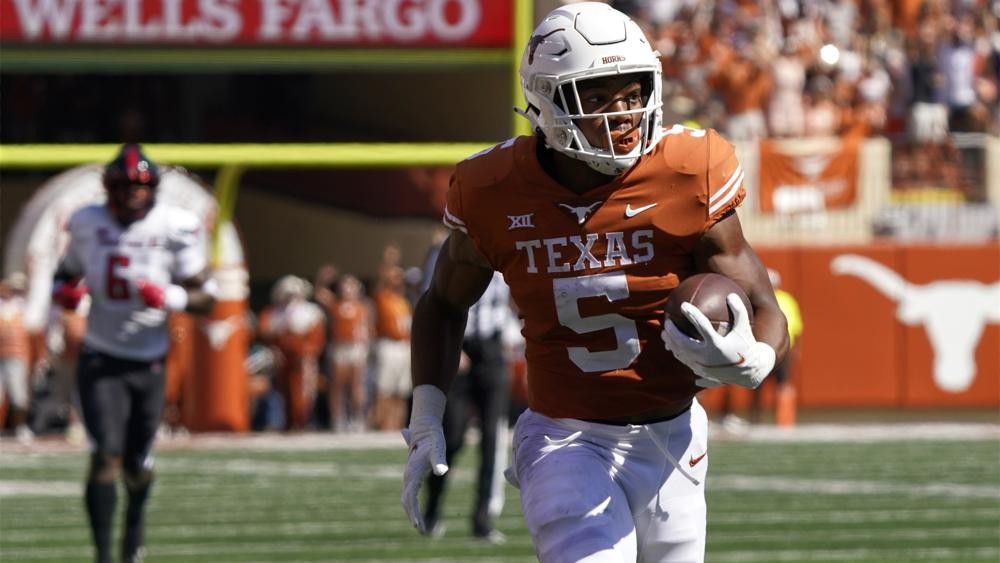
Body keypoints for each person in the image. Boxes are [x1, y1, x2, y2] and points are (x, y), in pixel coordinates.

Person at [400, 4, 788, 562]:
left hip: (673, 435)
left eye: (632, 91)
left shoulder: (688, 169)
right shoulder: (492, 188)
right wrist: (426, 418)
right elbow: (442, 304)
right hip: (565, 437)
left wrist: (758, 357)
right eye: (598, 96)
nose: (624, 112)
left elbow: (762, 305)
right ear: (546, 102)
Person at [52, 143, 217, 563]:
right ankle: (104, 556)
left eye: (140, 187)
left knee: (137, 465)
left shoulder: (174, 225)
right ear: (109, 188)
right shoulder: (88, 222)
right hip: (101, 355)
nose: (132, 195)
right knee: (105, 454)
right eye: (124, 187)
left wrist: (169, 297)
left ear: (154, 189)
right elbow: (64, 276)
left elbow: (207, 298)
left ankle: (134, 528)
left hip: (150, 359)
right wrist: (65, 295)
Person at [420, 240, 515, 542]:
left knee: (492, 438)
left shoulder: (506, 242)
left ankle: (482, 520)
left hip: (492, 349)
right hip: (460, 347)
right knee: (454, 434)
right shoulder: (446, 249)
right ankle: (432, 509)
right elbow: (431, 301)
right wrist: (450, 347)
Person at [258, 275, 326, 431]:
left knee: (303, 393)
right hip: (282, 359)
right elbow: (265, 333)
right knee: (283, 393)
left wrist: (307, 353)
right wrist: (274, 349)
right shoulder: (274, 313)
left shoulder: (311, 312)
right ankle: (287, 423)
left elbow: (316, 339)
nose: (290, 299)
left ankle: (302, 422)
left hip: (301, 358)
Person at [327, 274, 371, 432]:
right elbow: (319, 293)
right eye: (345, 286)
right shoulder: (335, 305)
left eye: (351, 286)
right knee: (338, 384)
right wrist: (324, 279)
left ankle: (357, 417)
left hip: (356, 347)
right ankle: (338, 418)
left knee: (356, 385)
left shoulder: (363, 306)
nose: (347, 289)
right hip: (340, 347)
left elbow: (368, 328)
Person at [370, 264, 412, 431]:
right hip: (389, 345)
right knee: (385, 389)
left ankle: (396, 425)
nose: (398, 280)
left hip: (404, 346)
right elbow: (379, 284)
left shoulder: (404, 301)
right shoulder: (383, 298)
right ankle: (382, 425)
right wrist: (389, 261)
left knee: (401, 390)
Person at [0, 273, 34, 443]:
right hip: (1, 357)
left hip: (17, 357)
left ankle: (20, 427)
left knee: (19, 396)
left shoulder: (23, 306)